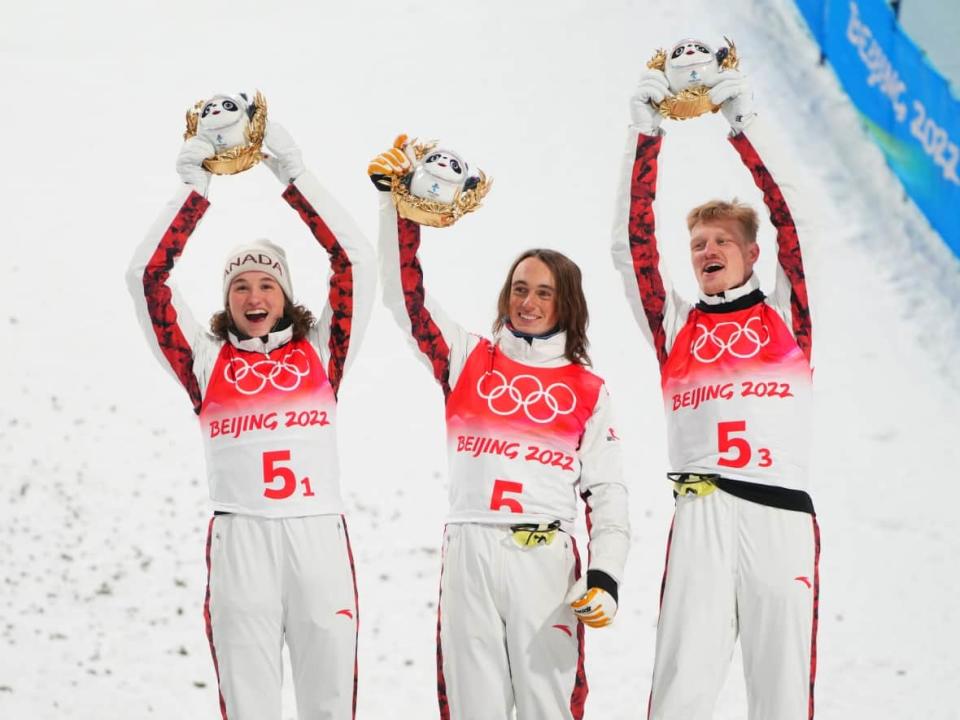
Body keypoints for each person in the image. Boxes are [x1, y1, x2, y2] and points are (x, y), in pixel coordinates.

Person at [369, 138, 631, 719]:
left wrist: (606, 574)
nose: (529, 302)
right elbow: (404, 296)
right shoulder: (468, 359)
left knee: (548, 708)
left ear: (568, 304)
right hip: (469, 554)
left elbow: (608, 493)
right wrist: (398, 211)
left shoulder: (589, 390)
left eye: (544, 292)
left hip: (544, 561)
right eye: (520, 288)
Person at [127, 112, 375, 719]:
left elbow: (355, 264)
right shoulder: (206, 363)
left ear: (287, 296)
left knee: (329, 703)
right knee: (249, 706)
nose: (255, 296)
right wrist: (195, 188)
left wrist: (292, 173)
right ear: (227, 302)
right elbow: (147, 279)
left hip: (316, 533)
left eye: (267, 284)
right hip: (241, 540)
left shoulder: (322, 354)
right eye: (241, 287)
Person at [611, 65, 820, 719]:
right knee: (680, 692)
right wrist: (644, 133)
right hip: (701, 515)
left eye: (721, 240)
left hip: (780, 517)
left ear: (751, 254)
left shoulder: (785, 316)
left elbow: (796, 224)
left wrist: (742, 118)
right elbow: (632, 247)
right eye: (697, 242)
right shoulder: (675, 327)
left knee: (782, 694)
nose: (706, 249)